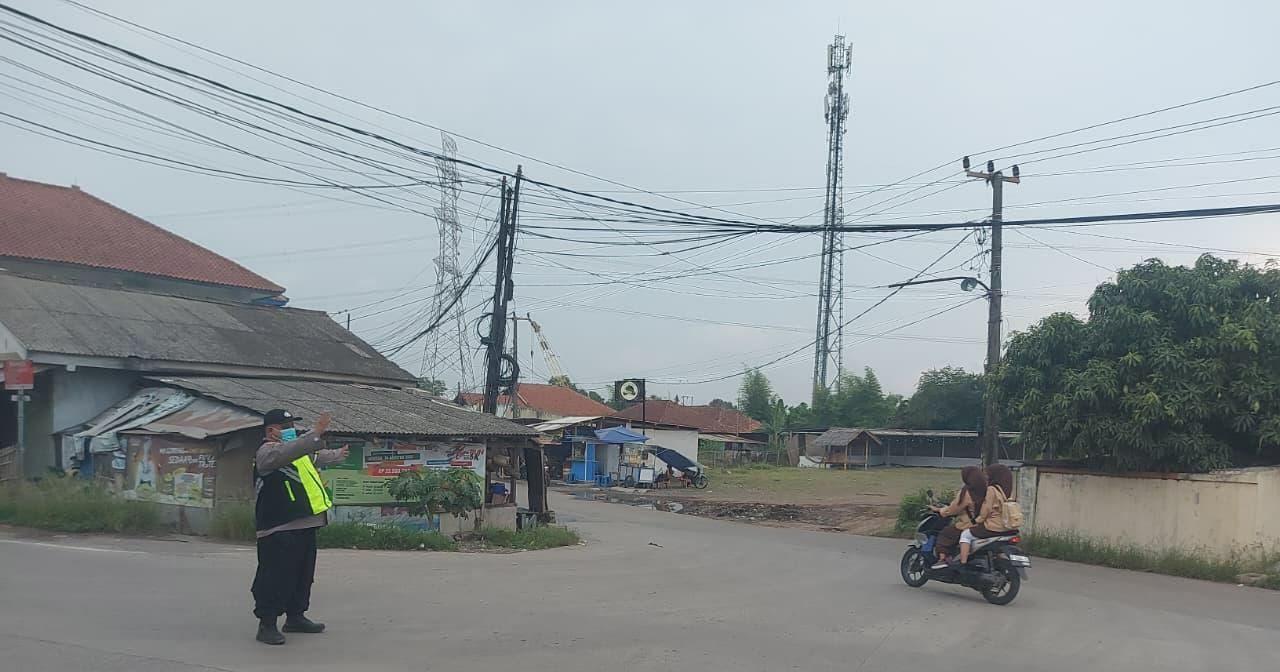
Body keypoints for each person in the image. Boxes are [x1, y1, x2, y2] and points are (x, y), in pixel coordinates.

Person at [251, 409, 349, 645]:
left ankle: (296, 617)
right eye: (286, 427)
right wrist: (314, 433)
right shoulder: (267, 453)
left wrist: (338, 454)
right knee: (275, 577)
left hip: (306, 523)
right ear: (271, 431)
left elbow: (317, 456)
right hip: (279, 527)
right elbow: (292, 450)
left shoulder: (297, 452)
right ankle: (267, 624)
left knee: (302, 576)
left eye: (292, 426)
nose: (291, 431)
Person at [957, 464, 1018, 565]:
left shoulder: (991, 490)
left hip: (994, 527)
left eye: (987, 475)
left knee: (966, 534)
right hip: (1008, 527)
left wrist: (976, 521)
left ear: (995, 476)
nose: (986, 477)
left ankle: (962, 563)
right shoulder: (1008, 490)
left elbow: (986, 510)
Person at [929, 466, 987, 569]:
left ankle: (942, 559)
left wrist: (939, 510)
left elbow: (953, 509)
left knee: (945, 534)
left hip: (968, 524)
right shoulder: (987, 490)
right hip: (983, 524)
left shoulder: (967, 492)